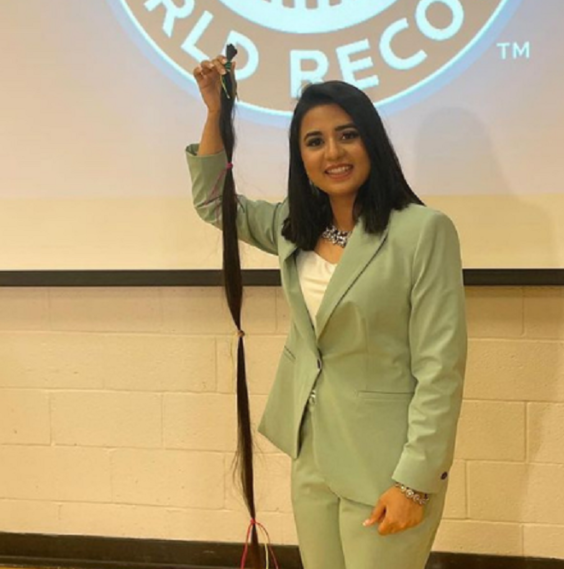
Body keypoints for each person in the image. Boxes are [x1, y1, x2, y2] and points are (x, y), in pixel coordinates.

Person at [186, 55, 468, 569]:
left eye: (347, 135)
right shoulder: (295, 226)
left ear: (372, 144)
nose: (332, 152)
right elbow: (212, 202)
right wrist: (214, 114)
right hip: (312, 457)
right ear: (301, 157)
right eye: (315, 142)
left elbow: (440, 370)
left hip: (386, 466)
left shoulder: (423, 232)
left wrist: (415, 482)